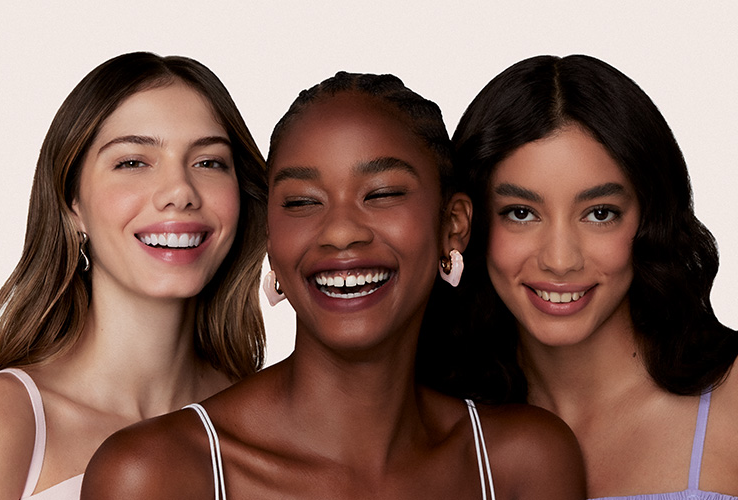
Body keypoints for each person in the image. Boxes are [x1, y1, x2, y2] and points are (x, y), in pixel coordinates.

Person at [81, 71, 585, 500]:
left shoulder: (523, 462)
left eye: (382, 194)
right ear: (271, 238)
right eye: (302, 202)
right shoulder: (156, 474)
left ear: (452, 225)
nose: (341, 232)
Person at [0, 51, 267, 499]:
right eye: (133, 162)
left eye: (209, 162)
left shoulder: (259, 422)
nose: (180, 192)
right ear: (72, 204)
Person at [448, 54, 738, 498]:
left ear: (651, 219)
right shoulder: (437, 426)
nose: (560, 260)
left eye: (600, 213)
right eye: (521, 213)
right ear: (466, 224)